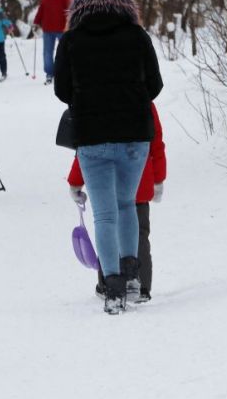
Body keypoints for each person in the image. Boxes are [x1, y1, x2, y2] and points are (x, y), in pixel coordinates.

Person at [54, 0, 163, 314]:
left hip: (92, 135)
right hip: (134, 134)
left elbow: (62, 89)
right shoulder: (136, 34)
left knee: (104, 214)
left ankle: (112, 286)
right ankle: (132, 277)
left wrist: (88, 99)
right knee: (127, 205)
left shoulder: (72, 39)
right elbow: (155, 85)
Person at [68, 101, 166, 302]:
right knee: (139, 236)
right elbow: (156, 142)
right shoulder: (144, 102)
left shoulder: (96, 103)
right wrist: (158, 178)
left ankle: (108, 284)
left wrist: (75, 181)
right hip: (139, 182)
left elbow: (85, 149)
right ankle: (142, 285)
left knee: (108, 226)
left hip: (109, 188)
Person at [33, 0, 74, 84]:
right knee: (47, 52)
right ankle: (49, 73)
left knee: (64, 52)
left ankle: (66, 72)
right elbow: (42, 8)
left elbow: (71, 9)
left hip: (63, 28)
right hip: (47, 28)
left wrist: (70, 23)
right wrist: (36, 21)